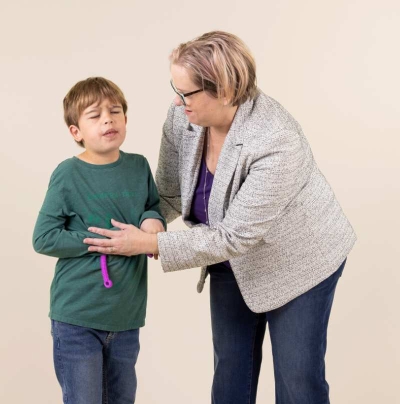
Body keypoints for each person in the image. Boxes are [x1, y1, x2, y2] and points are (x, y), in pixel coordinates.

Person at [84, 32, 357, 404]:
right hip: (228, 258)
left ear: (225, 90)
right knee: (230, 371)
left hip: (298, 262)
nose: (177, 102)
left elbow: (233, 236)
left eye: (187, 93)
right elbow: (169, 192)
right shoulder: (183, 117)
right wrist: (151, 221)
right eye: (174, 89)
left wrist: (150, 244)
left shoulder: (276, 140)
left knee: (298, 382)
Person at [32, 77, 165, 404]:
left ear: (125, 120)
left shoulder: (138, 166)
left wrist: (152, 223)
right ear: (76, 132)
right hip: (77, 317)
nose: (108, 119)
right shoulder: (67, 173)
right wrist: (100, 241)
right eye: (95, 115)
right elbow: (44, 237)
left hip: (127, 316)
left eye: (115, 111)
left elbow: (151, 206)